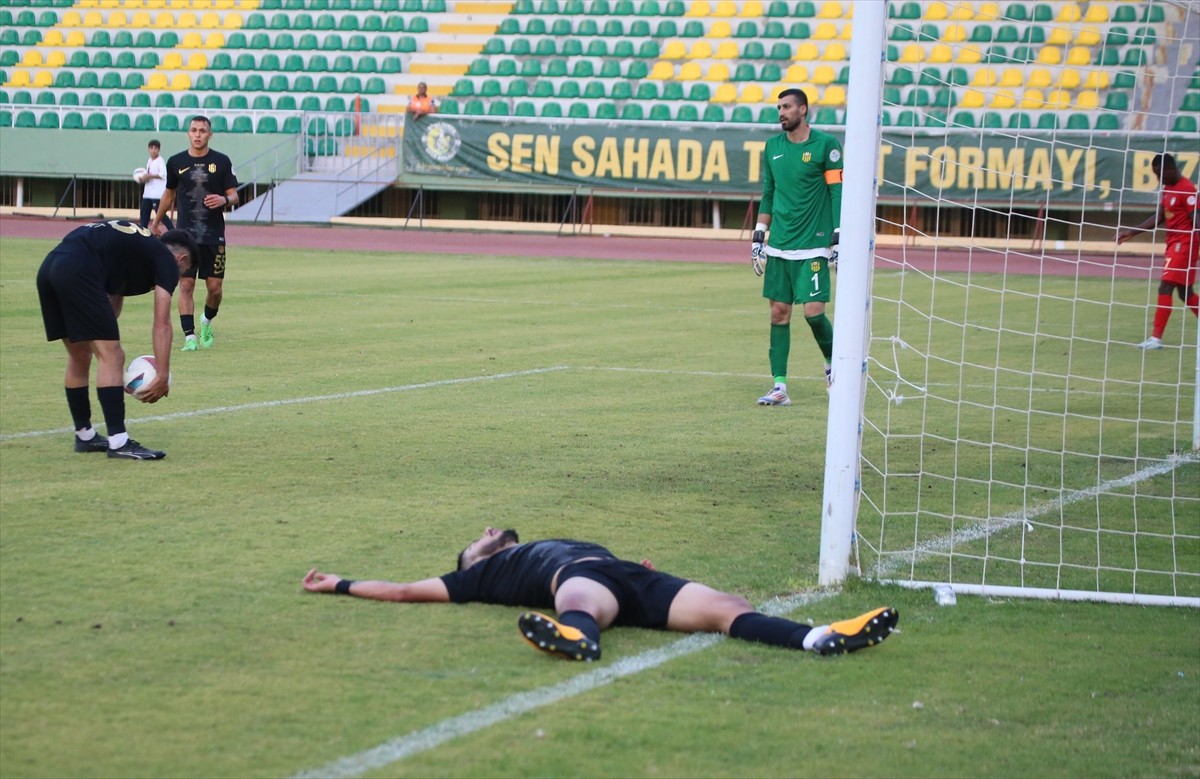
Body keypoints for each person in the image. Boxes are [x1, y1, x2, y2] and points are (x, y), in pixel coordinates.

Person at [302, 527, 899, 662]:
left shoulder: (555, 536)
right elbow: (406, 591)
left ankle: (819, 636)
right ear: (473, 561)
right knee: (582, 602)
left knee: (727, 610)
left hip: (629, 578)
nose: (489, 531)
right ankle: (577, 639)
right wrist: (341, 584)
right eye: (479, 538)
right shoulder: (478, 578)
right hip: (579, 587)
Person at [37, 220, 199, 460]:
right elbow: (162, 323)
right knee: (113, 355)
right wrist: (162, 376)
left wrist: (110, 379)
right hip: (78, 269)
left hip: (50, 267)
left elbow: (112, 301)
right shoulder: (166, 260)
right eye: (184, 273)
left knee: (80, 354)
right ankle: (119, 442)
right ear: (181, 259)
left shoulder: (138, 248)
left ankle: (85, 436)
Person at [750, 88, 843, 405]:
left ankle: (834, 367)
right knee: (778, 314)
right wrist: (759, 233)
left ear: (803, 109)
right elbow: (769, 192)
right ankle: (779, 387)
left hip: (814, 244)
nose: (781, 112)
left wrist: (838, 232)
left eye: (787, 107)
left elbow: (836, 191)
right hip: (780, 245)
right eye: (778, 107)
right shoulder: (772, 147)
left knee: (814, 313)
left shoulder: (826, 145)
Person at [149, 115, 239, 353]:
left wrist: (224, 199)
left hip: (213, 235)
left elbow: (234, 195)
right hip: (184, 238)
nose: (198, 134)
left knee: (215, 288)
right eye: (194, 130)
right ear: (188, 134)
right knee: (186, 284)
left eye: (202, 130)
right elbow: (168, 195)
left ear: (210, 134)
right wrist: (156, 222)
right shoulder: (176, 162)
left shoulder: (221, 162)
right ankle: (189, 337)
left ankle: (206, 322)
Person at [1117, 153, 1199, 349]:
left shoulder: (1187, 190)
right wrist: (1132, 231)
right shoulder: (1168, 187)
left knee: (1165, 287)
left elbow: (1197, 220)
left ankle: (1156, 339)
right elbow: (1160, 217)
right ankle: (1155, 339)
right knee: (1185, 293)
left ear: (1170, 169)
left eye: (1159, 174)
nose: (1158, 178)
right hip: (1174, 244)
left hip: (1185, 245)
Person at [136, 139, 174, 231]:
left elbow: (163, 174)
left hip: (157, 194)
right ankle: (143, 233)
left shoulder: (160, 161)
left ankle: (173, 231)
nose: (153, 150)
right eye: (151, 148)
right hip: (148, 193)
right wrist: (143, 178)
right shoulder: (149, 160)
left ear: (159, 150)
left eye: (156, 148)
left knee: (160, 214)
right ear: (148, 149)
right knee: (144, 214)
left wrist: (149, 176)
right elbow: (147, 174)